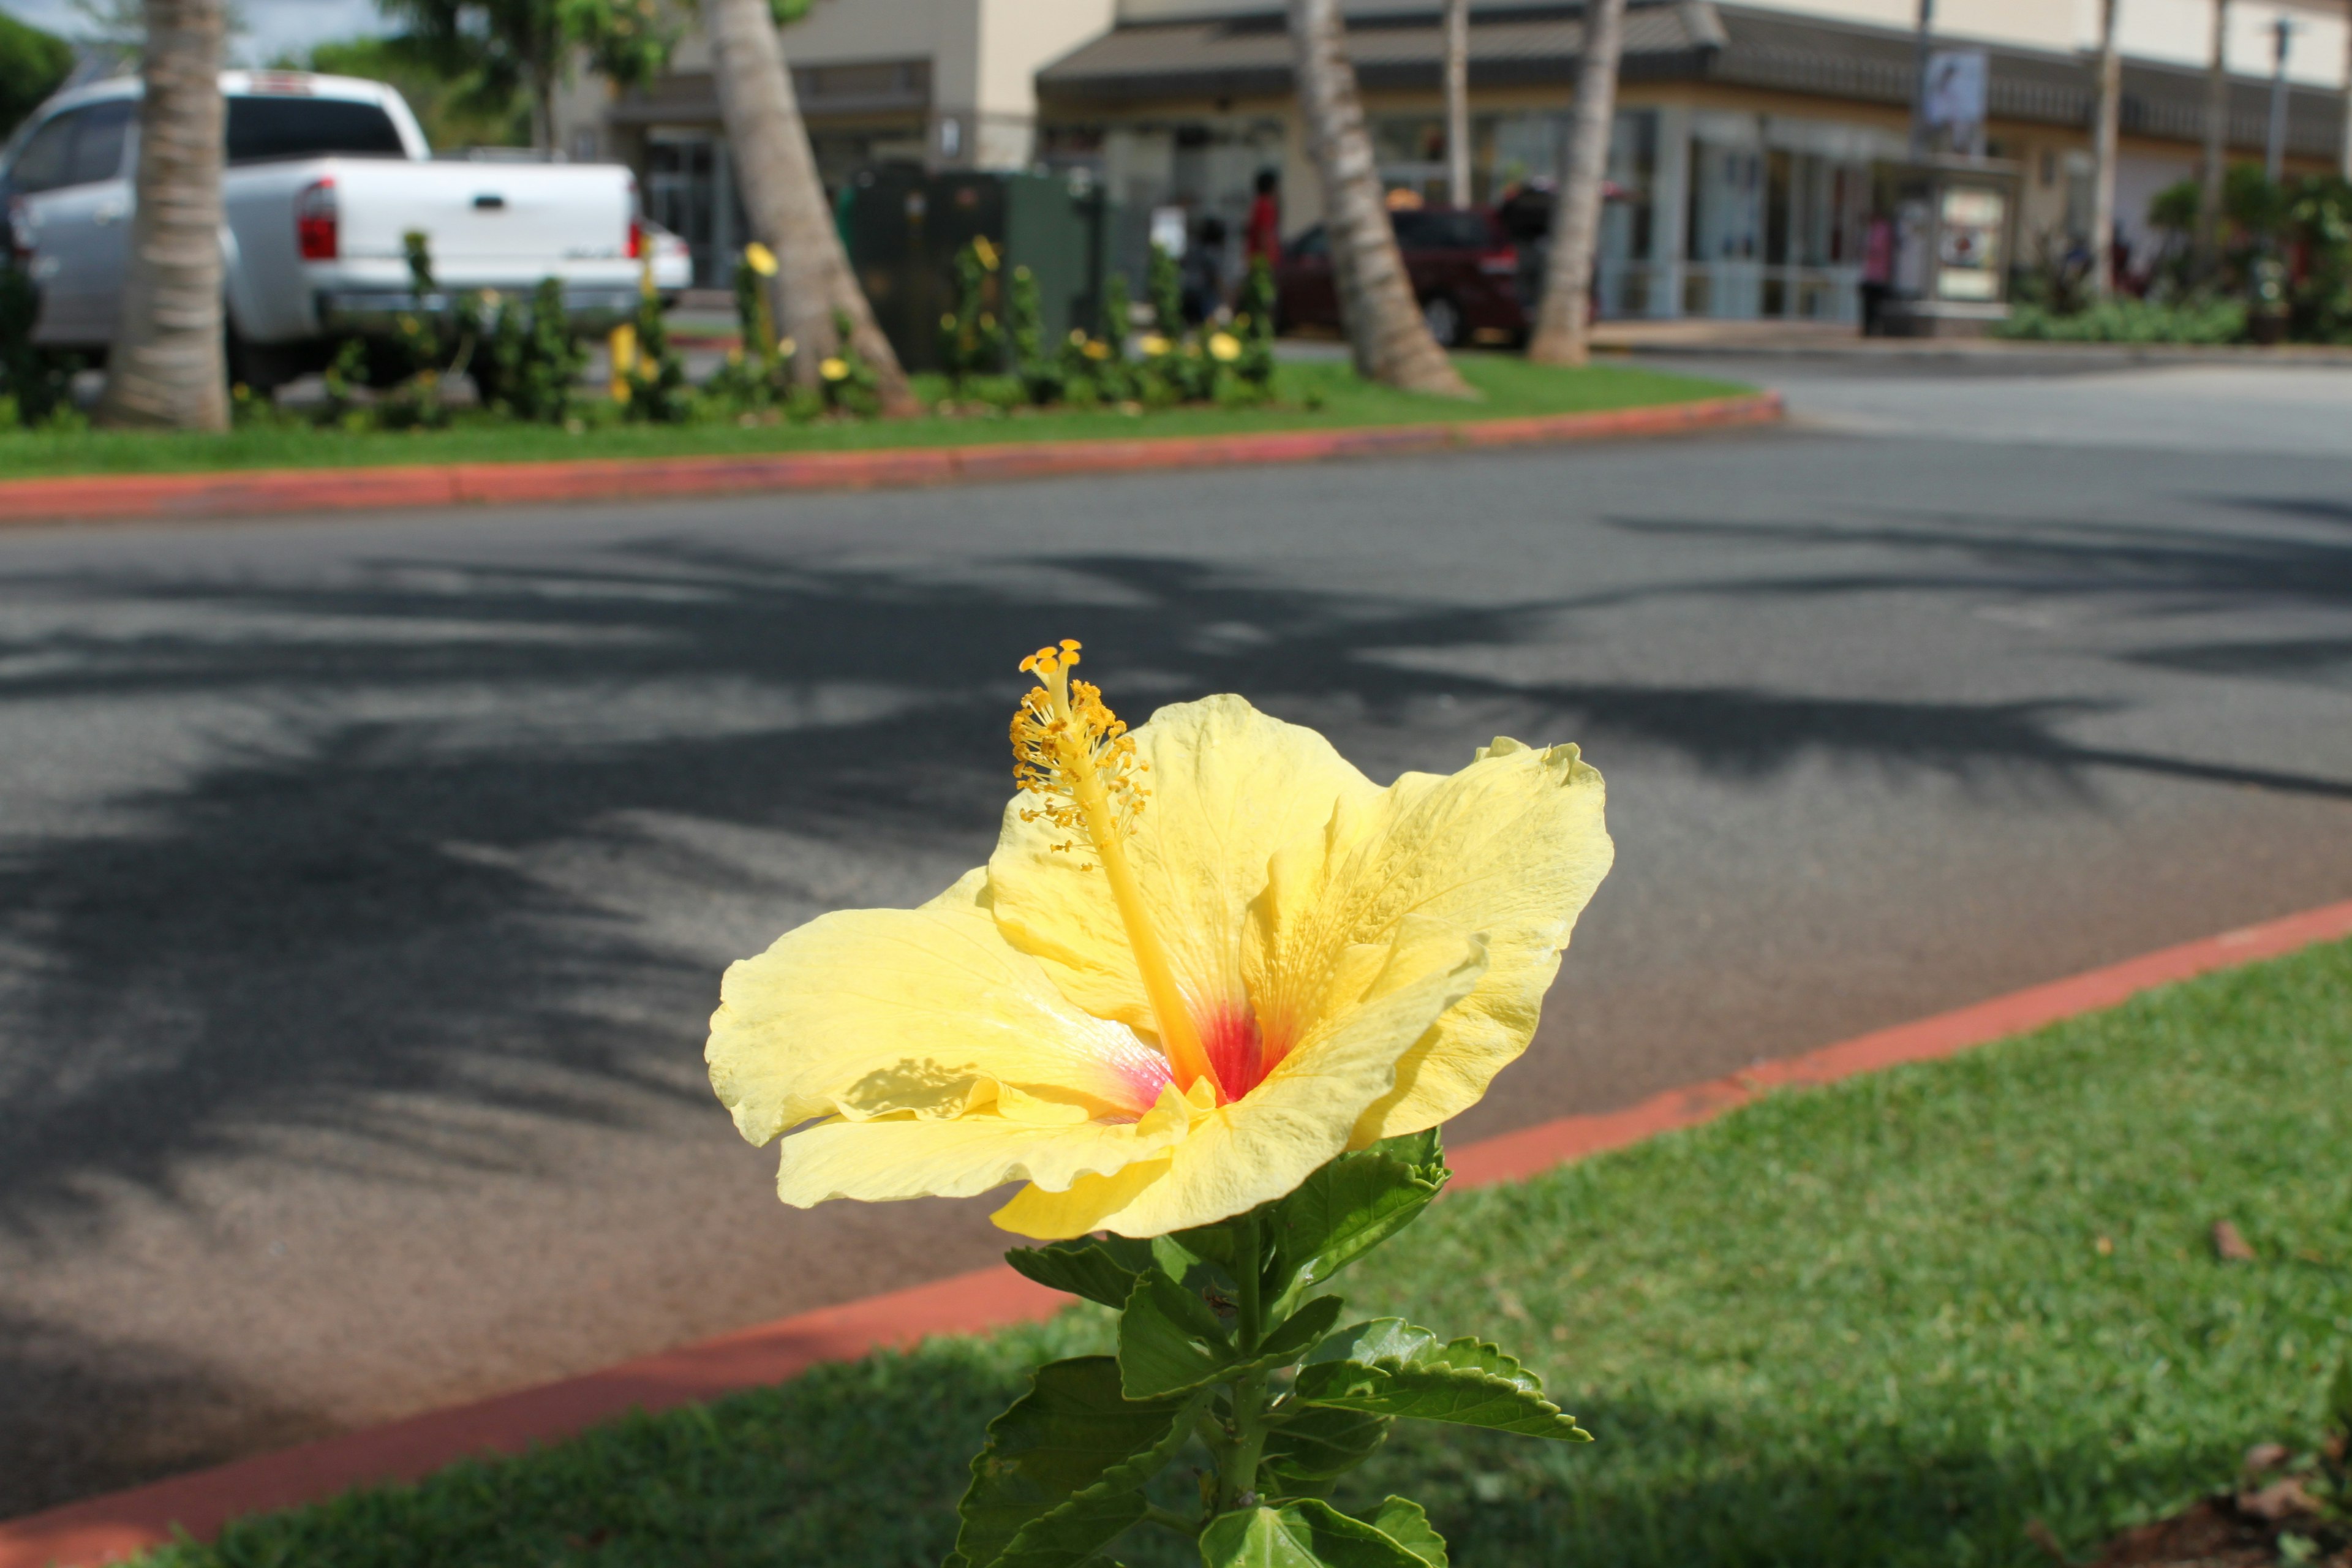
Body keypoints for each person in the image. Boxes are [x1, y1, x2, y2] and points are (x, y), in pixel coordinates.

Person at [1182, 214, 1228, 325]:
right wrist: (1226, 297)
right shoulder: (1212, 252)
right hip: (1202, 296)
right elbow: (1215, 277)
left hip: (1187, 291)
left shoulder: (1193, 248)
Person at [1860, 214, 1894, 336]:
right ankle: (1870, 329)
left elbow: (1875, 250)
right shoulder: (1875, 230)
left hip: (1878, 276)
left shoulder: (1881, 230)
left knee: (1874, 306)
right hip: (1873, 275)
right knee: (1871, 306)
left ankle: (1872, 329)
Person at [1244, 170, 1281, 270]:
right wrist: (1267, 258)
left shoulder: (1259, 204)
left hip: (1258, 258)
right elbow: (1263, 232)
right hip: (1262, 260)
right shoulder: (1265, 205)